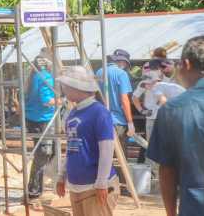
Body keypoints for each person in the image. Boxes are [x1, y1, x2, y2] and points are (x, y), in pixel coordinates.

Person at [147, 35, 204, 216]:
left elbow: (167, 172)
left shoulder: (172, 111)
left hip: (194, 208)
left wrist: (171, 213)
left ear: (186, 64)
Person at [55, 66, 119, 216]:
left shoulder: (99, 112)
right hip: (77, 185)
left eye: (66, 86)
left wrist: (102, 182)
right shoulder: (73, 112)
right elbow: (71, 148)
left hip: (94, 185)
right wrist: (62, 176)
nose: (63, 89)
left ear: (76, 87)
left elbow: (107, 149)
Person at [24, 56, 57, 199]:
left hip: (32, 119)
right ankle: (34, 189)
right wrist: (63, 100)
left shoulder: (31, 78)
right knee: (44, 154)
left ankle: (37, 185)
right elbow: (47, 101)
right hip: (44, 120)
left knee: (46, 152)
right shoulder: (46, 77)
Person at [95, 49, 134, 142]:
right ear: (123, 62)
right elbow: (124, 99)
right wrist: (130, 123)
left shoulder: (99, 72)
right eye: (126, 65)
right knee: (120, 154)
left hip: (101, 119)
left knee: (103, 153)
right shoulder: (121, 73)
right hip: (118, 121)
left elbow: (95, 96)